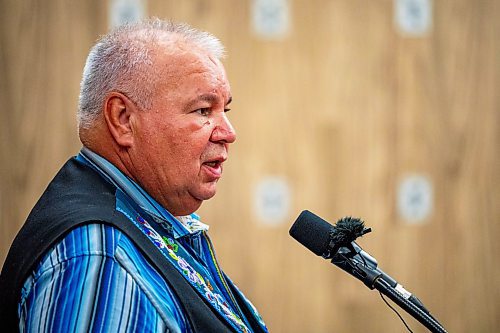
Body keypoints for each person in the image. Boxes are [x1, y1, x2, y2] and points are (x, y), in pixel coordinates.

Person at [0, 18, 268, 333]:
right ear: (123, 119)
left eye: (226, 111)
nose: (228, 132)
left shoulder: (147, 220)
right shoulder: (100, 259)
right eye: (203, 111)